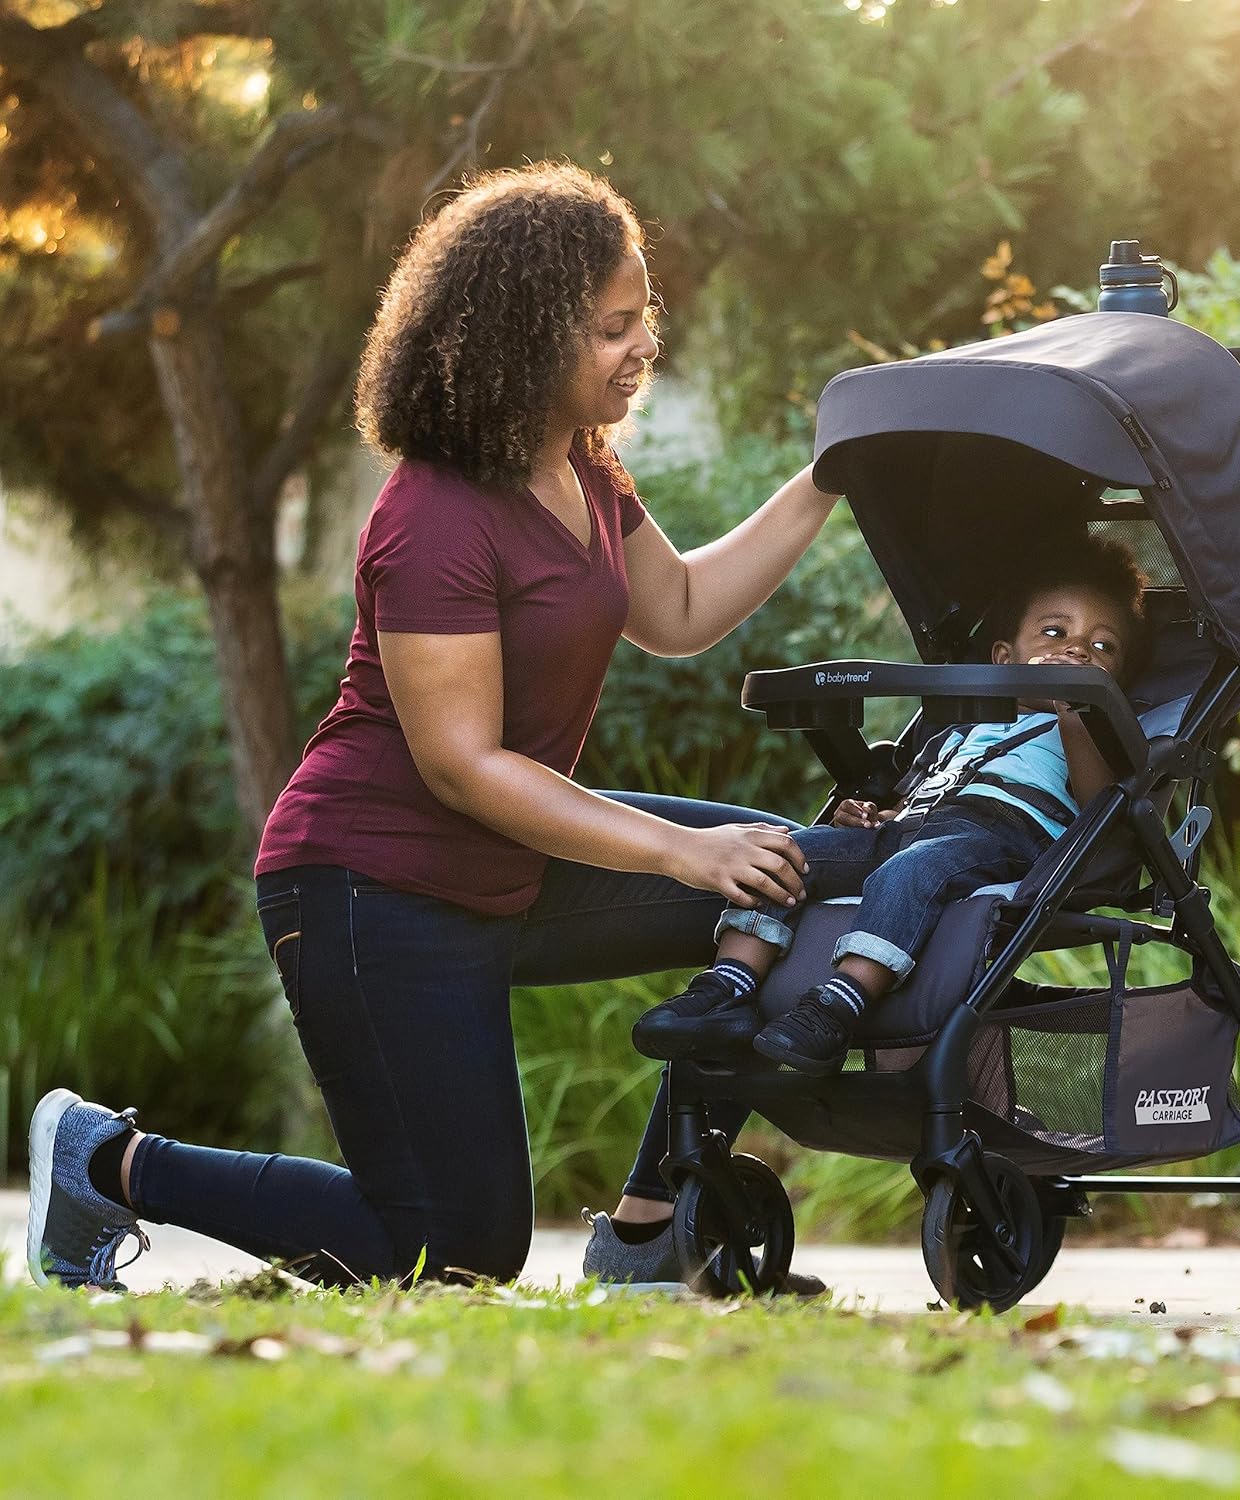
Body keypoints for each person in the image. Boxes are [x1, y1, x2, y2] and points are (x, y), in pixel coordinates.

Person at [25, 162, 840, 1294]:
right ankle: (106, 1161)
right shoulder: (434, 513)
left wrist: (829, 473)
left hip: (508, 869)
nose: (642, 344)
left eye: (644, 316)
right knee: (451, 1246)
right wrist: (680, 849)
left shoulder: (584, 464)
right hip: (371, 886)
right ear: (527, 335)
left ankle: (654, 1233)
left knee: (792, 881)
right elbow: (461, 766)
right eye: (612, 327)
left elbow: (680, 610)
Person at [633, 536, 1147, 1076]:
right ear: (1003, 657)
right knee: (784, 851)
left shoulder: (1088, 733)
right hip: (915, 825)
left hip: (998, 836)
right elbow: (919, 790)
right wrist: (875, 815)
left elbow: (1100, 806)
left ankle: (839, 1002)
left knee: (910, 870)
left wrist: (1080, 712)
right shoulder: (964, 725)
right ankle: (727, 988)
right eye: (1053, 632)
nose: (1076, 649)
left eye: (1103, 647)